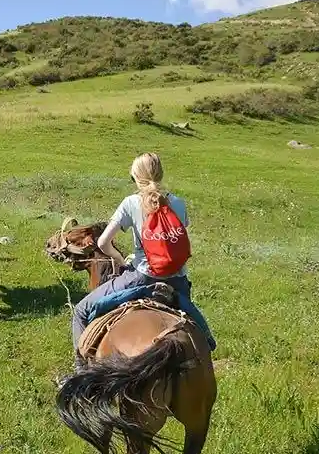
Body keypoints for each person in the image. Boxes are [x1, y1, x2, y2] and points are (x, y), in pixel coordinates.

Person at [70, 152, 215, 370]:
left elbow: (103, 243)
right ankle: (208, 341)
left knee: (81, 311)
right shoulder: (179, 203)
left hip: (142, 277)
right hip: (178, 282)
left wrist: (120, 259)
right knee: (196, 327)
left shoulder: (131, 203)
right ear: (161, 174)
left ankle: (81, 372)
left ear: (137, 178)